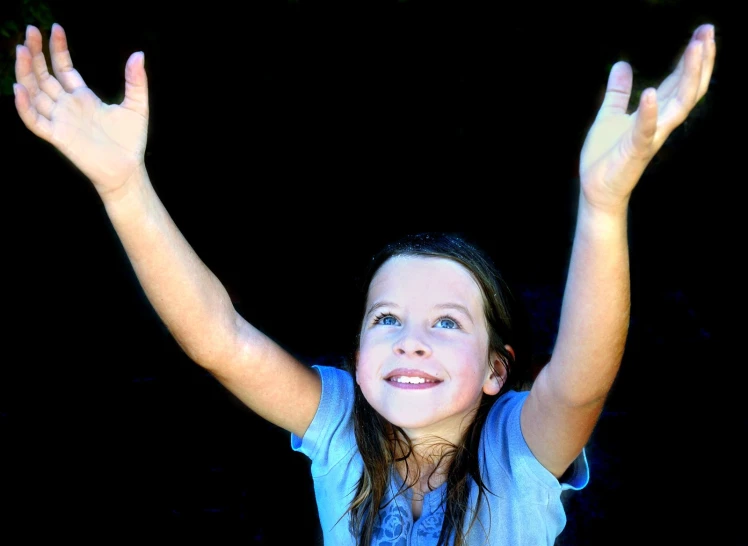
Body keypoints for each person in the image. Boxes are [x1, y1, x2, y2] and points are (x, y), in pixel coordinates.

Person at [13, 21, 716, 546]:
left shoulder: (520, 451)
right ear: (354, 356)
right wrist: (123, 186)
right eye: (387, 320)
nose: (411, 341)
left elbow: (582, 380)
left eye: (446, 323)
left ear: (499, 369)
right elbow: (221, 339)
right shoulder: (341, 427)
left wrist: (603, 206)